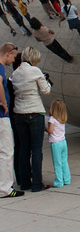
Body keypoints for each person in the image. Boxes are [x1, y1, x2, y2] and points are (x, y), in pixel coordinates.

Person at [10, 46, 52, 192]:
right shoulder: (35, 70)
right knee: (36, 149)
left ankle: (25, 182)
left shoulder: (15, 72)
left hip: (19, 113)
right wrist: (47, 81)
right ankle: (37, 183)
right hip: (34, 110)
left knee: (24, 149)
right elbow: (46, 91)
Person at [0, 43, 24, 198]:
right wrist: (3, 101)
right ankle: (5, 189)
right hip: (2, 116)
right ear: (9, 53)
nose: (14, 59)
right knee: (6, 151)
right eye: (14, 56)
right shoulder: (0, 67)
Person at [45, 99, 71, 188]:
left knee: (57, 163)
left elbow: (51, 131)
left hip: (56, 143)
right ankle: (67, 179)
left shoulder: (52, 119)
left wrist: (45, 128)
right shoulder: (62, 119)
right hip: (63, 142)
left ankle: (59, 181)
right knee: (64, 161)